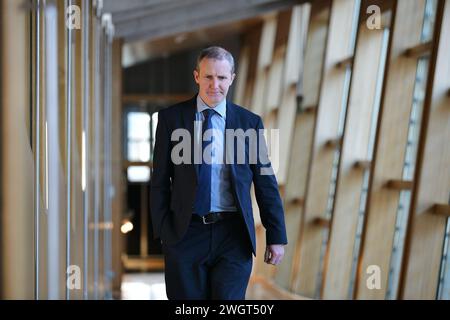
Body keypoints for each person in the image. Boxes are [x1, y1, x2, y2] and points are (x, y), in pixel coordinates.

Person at [150, 46, 287, 300]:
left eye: (222, 77)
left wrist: (276, 235)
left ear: (232, 78)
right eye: (209, 76)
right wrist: (164, 232)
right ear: (196, 77)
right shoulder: (172, 119)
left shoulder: (250, 123)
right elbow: (159, 181)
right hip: (185, 235)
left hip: (233, 236)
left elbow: (266, 181)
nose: (215, 84)